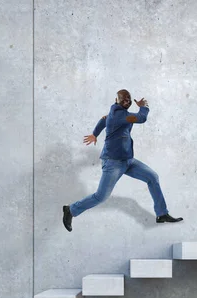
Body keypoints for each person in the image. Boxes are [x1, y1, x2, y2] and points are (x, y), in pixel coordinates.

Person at [62, 89, 183, 232]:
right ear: (116, 100)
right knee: (101, 196)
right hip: (113, 163)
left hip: (128, 160)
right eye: (123, 99)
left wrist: (95, 134)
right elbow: (141, 118)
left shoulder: (114, 114)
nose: (127, 102)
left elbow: (103, 120)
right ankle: (71, 210)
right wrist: (144, 106)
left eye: (129, 99)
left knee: (153, 177)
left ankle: (162, 214)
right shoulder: (120, 116)